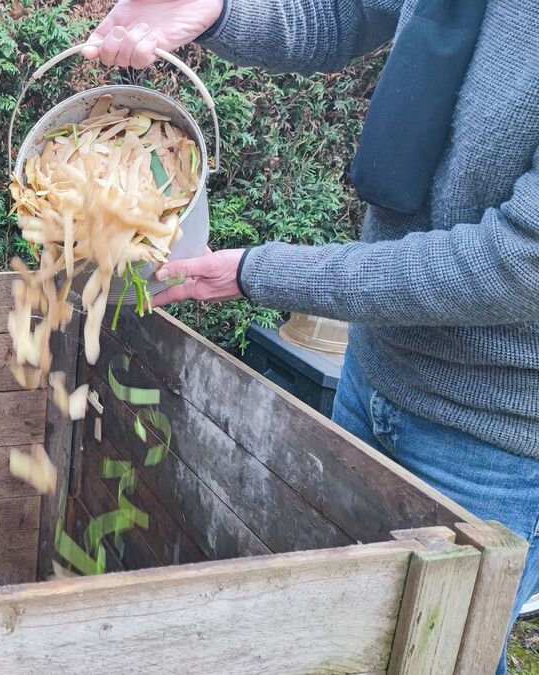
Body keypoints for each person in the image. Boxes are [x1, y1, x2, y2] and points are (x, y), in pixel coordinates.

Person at [84, 1, 539, 672]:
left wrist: (258, 272)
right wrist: (216, 11)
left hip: (490, 440)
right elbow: (342, 13)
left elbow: (515, 265)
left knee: (436, 655)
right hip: (374, 372)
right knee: (344, 644)